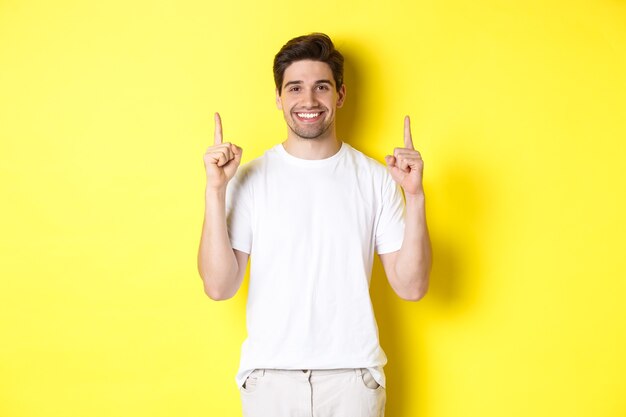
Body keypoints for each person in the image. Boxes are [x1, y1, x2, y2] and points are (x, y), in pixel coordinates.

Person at [197, 33, 432, 417]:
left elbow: (411, 286)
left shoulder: (376, 179)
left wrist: (416, 196)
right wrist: (214, 190)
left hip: (352, 379)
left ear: (339, 95)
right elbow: (219, 286)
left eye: (321, 87)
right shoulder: (248, 179)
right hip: (269, 379)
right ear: (279, 98)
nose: (308, 101)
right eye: (295, 88)